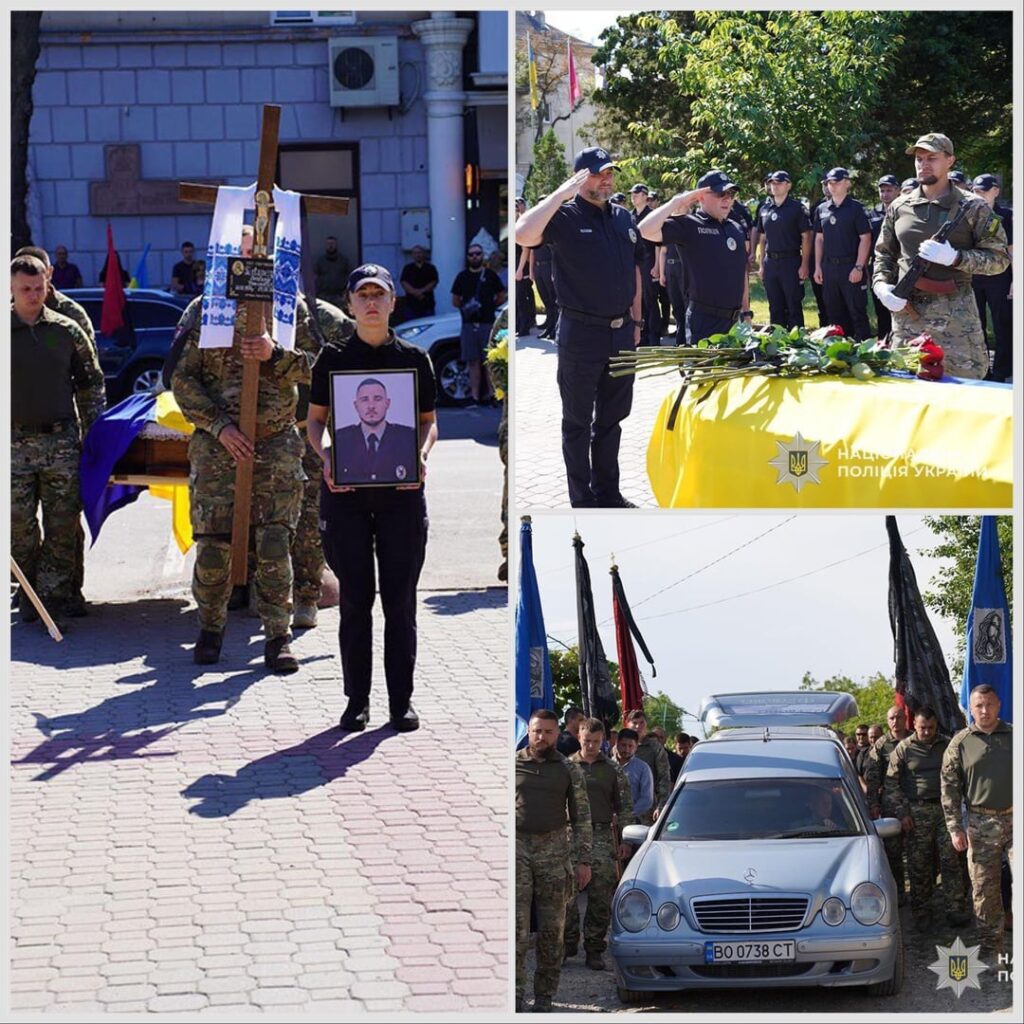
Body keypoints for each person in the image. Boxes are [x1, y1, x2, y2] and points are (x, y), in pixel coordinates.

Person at [307, 264, 437, 733]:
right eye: (362, 295)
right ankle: (356, 701)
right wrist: (326, 456)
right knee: (355, 602)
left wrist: (421, 455)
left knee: (400, 603)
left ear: (392, 302)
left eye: (378, 294)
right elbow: (315, 420)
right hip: (346, 499)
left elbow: (428, 422)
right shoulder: (331, 359)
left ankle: (401, 702)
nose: (370, 302)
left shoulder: (415, 359)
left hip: (402, 498)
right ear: (349, 304)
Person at [171, 278, 319, 672]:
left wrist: (275, 354)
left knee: (275, 543)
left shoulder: (288, 309)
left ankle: (278, 636)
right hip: (218, 447)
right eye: (243, 249)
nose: (251, 255)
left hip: (275, 444)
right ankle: (210, 629)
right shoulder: (206, 308)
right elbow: (181, 378)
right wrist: (220, 426)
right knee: (213, 545)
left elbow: (318, 367)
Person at [514, 147, 644, 509]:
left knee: (612, 419)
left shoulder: (622, 218)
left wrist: (636, 321)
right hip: (581, 335)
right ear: (579, 178)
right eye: (599, 173)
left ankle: (608, 493)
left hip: (621, 333)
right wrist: (560, 193)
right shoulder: (564, 216)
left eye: (610, 173)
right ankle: (582, 500)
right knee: (577, 422)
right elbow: (523, 234)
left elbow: (634, 270)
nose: (607, 180)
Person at [11, 254, 105, 627]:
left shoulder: (66, 330)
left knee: (62, 525)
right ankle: (28, 592)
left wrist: (94, 435)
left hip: (61, 444)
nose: (33, 295)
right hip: (13, 445)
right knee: (17, 527)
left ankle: (51, 600)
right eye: (25, 289)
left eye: (39, 288)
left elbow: (91, 385)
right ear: (10, 288)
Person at [873, 134, 1010, 379]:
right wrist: (881, 287)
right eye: (919, 159)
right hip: (907, 318)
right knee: (907, 387)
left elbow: (999, 259)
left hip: (956, 321)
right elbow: (884, 254)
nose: (923, 164)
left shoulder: (973, 206)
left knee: (963, 388)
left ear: (950, 161)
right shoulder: (899, 206)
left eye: (932, 158)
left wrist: (956, 257)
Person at [515, 709, 592, 1014]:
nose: (542, 737)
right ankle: (514, 996)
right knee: (516, 930)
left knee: (551, 931)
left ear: (557, 734)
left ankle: (544, 996)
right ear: (529, 732)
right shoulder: (512, 764)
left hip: (554, 855)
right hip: (518, 852)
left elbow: (582, 817)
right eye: (537, 731)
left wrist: (583, 860)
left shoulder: (568, 769)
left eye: (548, 732)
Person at [638, 171, 753, 346]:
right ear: (701, 197)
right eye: (721, 193)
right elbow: (644, 230)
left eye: (731, 194)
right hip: (704, 321)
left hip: (735, 323)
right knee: (704, 364)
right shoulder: (690, 224)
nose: (727, 199)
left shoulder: (735, 228)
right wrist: (677, 202)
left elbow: (741, 273)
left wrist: (746, 313)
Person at [941, 685, 1013, 957]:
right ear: (970, 709)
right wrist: (954, 828)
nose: (985, 710)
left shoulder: (1014, 735)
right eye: (979, 706)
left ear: (999, 705)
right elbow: (949, 788)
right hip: (980, 823)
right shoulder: (960, 743)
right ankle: (993, 953)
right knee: (984, 890)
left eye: (989, 704)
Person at [885, 706, 971, 931]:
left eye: (931, 728)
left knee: (951, 861)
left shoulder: (947, 745)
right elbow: (891, 784)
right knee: (919, 864)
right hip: (917, 812)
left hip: (945, 811)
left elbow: (961, 775)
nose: (926, 732)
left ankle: (955, 909)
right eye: (923, 728)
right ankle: (922, 912)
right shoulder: (903, 749)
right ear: (914, 725)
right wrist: (902, 813)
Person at [565, 718, 634, 971]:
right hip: (571, 835)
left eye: (596, 741)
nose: (591, 746)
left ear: (603, 740)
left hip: (602, 836)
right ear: (579, 738)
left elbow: (624, 806)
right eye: (587, 741)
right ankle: (567, 943)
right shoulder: (566, 766)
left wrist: (626, 839)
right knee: (566, 895)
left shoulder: (612, 769)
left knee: (601, 895)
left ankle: (594, 948)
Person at [813, 167, 872, 339]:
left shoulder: (856, 208)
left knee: (857, 312)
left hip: (850, 266)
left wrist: (859, 267)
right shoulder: (821, 209)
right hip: (829, 267)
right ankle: (840, 349)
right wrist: (818, 267)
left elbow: (865, 238)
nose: (832, 186)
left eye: (837, 182)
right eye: (829, 183)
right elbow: (819, 239)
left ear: (847, 183)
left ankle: (863, 349)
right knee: (834, 313)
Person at [332, 377, 419, 486]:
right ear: (356, 405)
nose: (371, 406)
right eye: (365, 399)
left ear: (387, 403)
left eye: (377, 399)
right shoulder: (341, 440)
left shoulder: (408, 437)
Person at [864, 704, 911, 901]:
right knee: (893, 852)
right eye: (891, 718)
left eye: (898, 717)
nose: (895, 721)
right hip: (890, 804)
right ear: (887, 721)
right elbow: (872, 778)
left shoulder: (914, 739)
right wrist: (873, 804)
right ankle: (899, 892)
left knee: (918, 851)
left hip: (914, 801)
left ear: (905, 718)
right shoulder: (881, 745)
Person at [755, 170, 812, 328]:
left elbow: (806, 237)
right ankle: (777, 339)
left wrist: (804, 265)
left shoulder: (797, 208)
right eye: (772, 183)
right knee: (775, 306)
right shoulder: (765, 209)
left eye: (779, 183)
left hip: (790, 261)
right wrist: (761, 265)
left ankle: (796, 339)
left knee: (793, 305)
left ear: (788, 185)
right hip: (771, 262)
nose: (775, 186)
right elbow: (762, 238)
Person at [970, 173, 1013, 382]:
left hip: (1000, 277)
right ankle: (983, 370)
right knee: (976, 325)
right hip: (974, 277)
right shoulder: (968, 214)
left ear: (995, 191)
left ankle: (1002, 371)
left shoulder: (1006, 216)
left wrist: (1015, 280)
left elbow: (1013, 250)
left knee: (1002, 324)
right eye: (975, 192)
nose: (979, 196)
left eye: (983, 192)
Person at [451, 244, 505, 404]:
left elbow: (501, 295)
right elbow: (455, 300)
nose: (474, 256)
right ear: (467, 257)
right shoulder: (462, 277)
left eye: (477, 253)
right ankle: (474, 397)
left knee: (489, 361)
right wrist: (467, 309)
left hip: (487, 324)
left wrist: (489, 306)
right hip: (469, 324)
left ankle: (492, 396)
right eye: (471, 254)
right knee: (473, 362)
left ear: (482, 255)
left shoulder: (490, 275)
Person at [867, 175, 901, 338]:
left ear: (898, 190)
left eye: (889, 190)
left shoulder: (904, 210)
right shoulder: (872, 214)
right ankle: (883, 341)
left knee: (901, 308)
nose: (885, 194)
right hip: (880, 266)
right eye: (882, 191)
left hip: (901, 266)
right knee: (881, 308)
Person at [625, 709, 671, 819]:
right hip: (625, 808)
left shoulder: (655, 747)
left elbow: (664, 777)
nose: (638, 726)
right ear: (628, 724)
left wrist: (661, 805)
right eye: (634, 723)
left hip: (648, 809)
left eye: (641, 723)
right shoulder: (619, 748)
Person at [629, 184, 661, 346]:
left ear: (644, 196)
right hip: (635, 263)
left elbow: (659, 243)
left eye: (636, 194)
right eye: (632, 194)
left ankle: (654, 336)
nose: (633, 197)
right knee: (638, 299)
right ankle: (642, 334)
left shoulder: (652, 215)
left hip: (649, 261)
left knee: (650, 299)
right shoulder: (630, 216)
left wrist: (657, 266)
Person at [614, 727, 654, 822]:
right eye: (623, 745)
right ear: (617, 744)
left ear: (636, 747)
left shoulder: (643, 768)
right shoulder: (607, 765)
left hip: (632, 820)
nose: (626, 749)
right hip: (607, 821)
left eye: (630, 746)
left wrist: (626, 814)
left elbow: (647, 800)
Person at [399, 245, 439, 320]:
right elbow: (403, 282)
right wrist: (415, 292)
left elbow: (434, 282)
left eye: (419, 252)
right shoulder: (408, 268)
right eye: (415, 253)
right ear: (412, 255)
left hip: (427, 303)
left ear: (424, 254)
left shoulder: (430, 268)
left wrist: (422, 291)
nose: (418, 255)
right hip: (411, 304)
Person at [313, 235, 351, 308]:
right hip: (324, 296)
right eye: (328, 244)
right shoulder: (320, 261)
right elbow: (314, 278)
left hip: (339, 296)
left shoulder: (344, 261)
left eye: (332, 243)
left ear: (336, 245)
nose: (330, 246)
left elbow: (350, 277)